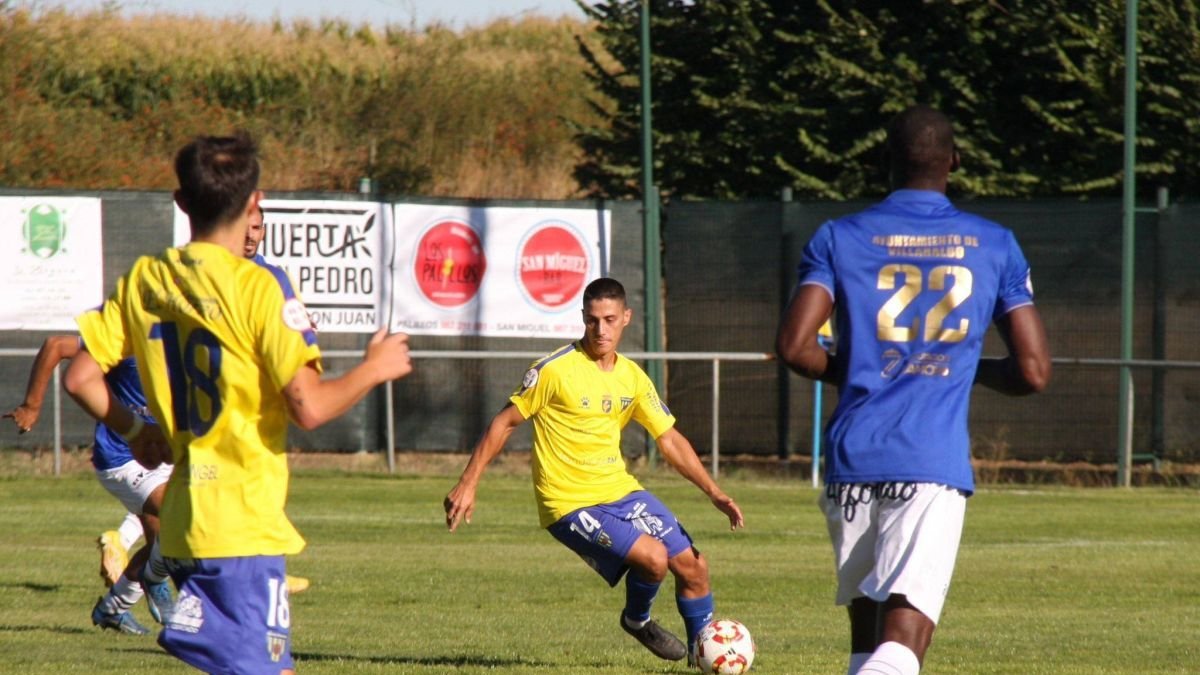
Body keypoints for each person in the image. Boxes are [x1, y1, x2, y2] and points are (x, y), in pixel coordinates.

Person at [64, 131, 413, 674]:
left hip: (184, 516)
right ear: (254, 202)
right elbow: (310, 407)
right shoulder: (259, 287)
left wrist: (137, 432)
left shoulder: (145, 280)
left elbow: (80, 377)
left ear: (182, 203)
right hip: (240, 520)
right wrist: (375, 368)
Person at [775, 104, 1051, 675]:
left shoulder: (837, 237)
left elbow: (795, 347)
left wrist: (868, 367)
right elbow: (1032, 373)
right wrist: (952, 362)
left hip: (851, 460)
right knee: (904, 638)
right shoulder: (994, 244)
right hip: (928, 460)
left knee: (867, 631)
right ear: (955, 161)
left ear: (885, 161)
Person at [444, 277, 744, 664]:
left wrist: (714, 492)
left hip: (619, 491)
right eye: (591, 320)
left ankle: (701, 658)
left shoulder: (632, 377)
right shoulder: (554, 370)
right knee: (653, 559)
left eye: (609, 319)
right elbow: (503, 423)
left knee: (694, 567)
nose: (600, 330)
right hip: (568, 502)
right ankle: (638, 621)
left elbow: (668, 438)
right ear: (582, 319)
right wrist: (469, 482)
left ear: (626, 318)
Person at [5, 340, 173, 635]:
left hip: (166, 451)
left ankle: (113, 608)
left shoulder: (194, 335)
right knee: (184, 521)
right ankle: (162, 585)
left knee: (167, 539)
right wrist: (32, 405)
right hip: (123, 458)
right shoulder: (130, 331)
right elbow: (56, 346)